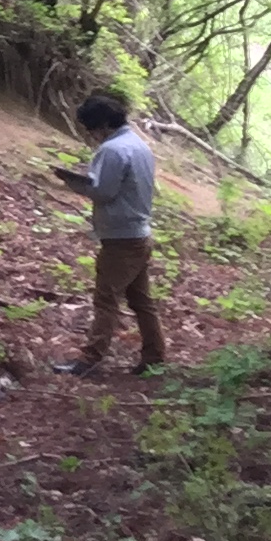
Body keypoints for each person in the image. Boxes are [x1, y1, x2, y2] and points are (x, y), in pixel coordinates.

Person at [49, 89, 165, 375]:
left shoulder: (112, 150)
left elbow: (103, 191)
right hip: (139, 232)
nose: (92, 135)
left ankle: (90, 359)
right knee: (141, 301)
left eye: (91, 129)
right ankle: (155, 356)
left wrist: (72, 182)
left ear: (102, 125)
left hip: (121, 238)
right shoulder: (139, 145)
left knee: (106, 299)